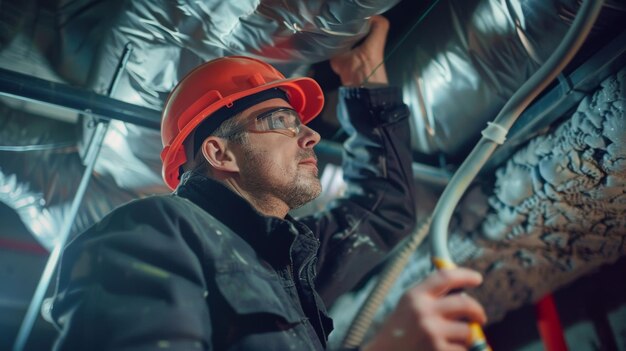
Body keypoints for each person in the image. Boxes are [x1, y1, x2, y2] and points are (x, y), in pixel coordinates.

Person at [50, 16, 486, 351]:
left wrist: (365, 76)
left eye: (300, 122)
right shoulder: (151, 231)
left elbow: (384, 204)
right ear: (220, 153)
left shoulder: (290, 255)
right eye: (279, 121)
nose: (311, 134)